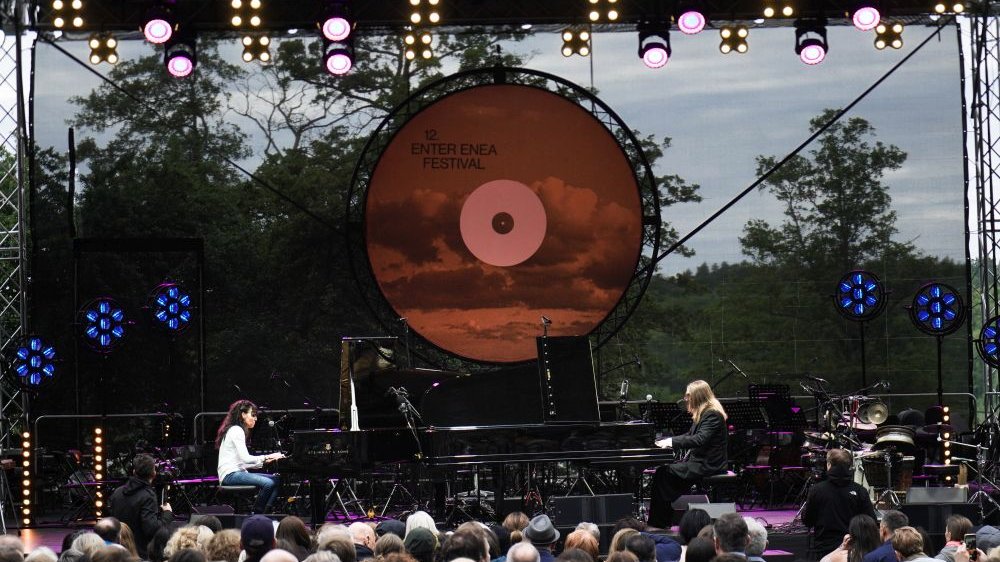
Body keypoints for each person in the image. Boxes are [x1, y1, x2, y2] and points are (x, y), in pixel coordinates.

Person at [648, 380, 729, 529]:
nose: (685, 398)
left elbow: (699, 439)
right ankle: (660, 521)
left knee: (663, 474)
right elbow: (689, 435)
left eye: (688, 395)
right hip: (701, 462)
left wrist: (671, 442)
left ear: (697, 396)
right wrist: (667, 440)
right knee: (663, 473)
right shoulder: (705, 413)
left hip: (708, 464)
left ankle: (659, 523)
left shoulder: (712, 414)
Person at [802, 449, 877, 558]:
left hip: (824, 549)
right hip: (853, 549)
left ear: (829, 465)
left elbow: (807, 520)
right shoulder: (860, 491)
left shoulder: (816, 490)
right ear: (850, 467)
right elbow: (870, 521)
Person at [215, 400, 285, 514]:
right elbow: (246, 459)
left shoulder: (235, 429)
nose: (255, 419)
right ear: (243, 415)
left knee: (276, 480)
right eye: (253, 415)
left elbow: (242, 462)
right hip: (230, 476)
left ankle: (265, 512)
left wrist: (266, 461)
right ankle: (256, 514)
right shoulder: (236, 430)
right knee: (268, 483)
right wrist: (268, 456)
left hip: (236, 473)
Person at [107, 454, 174, 559]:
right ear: (153, 473)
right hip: (139, 554)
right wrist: (167, 514)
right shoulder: (148, 496)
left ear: (134, 472)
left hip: (117, 550)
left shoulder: (117, 492)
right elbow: (151, 529)